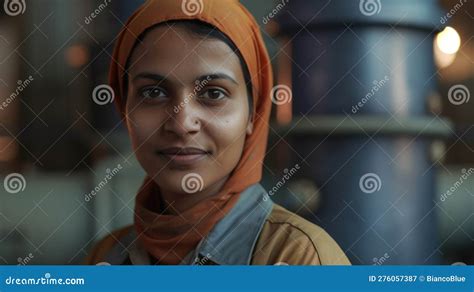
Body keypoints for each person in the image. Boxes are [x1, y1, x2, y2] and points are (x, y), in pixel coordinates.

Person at [84, 0, 350, 265]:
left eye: (214, 93)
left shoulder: (299, 258)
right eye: (153, 92)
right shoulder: (108, 256)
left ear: (253, 113)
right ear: (124, 106)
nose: (182, 123)